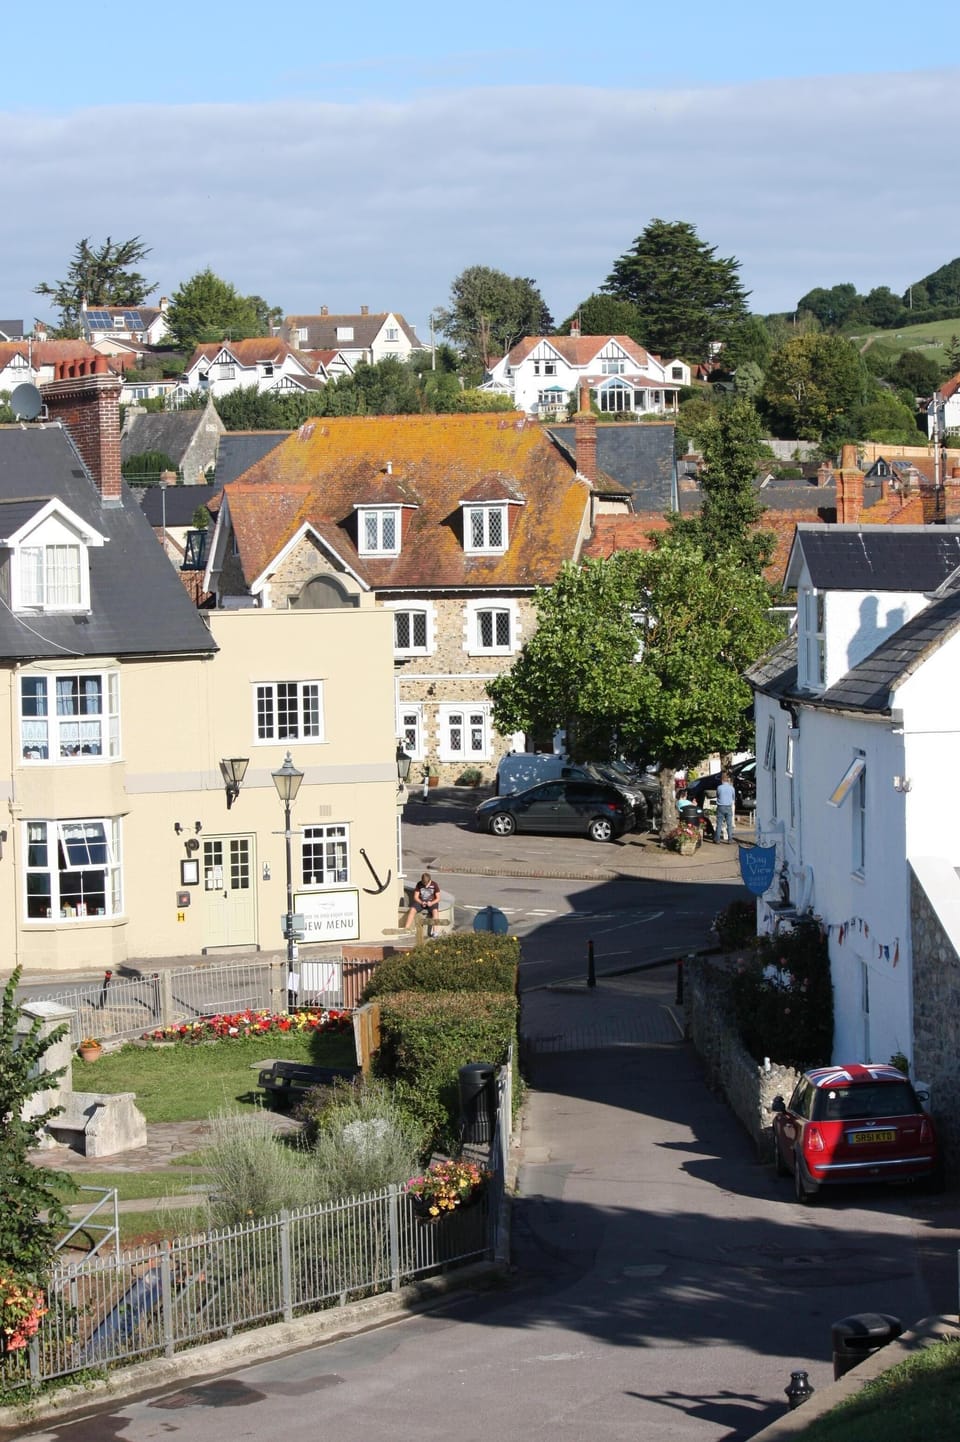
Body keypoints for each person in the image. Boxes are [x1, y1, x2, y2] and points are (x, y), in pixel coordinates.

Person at [715, 772, 736, 843]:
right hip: (728, 807)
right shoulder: (732, 788)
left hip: (720, 806)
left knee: (719, 824)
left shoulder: (719, 787)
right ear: (728, 780)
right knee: (729, 824)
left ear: (722, 780)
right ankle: (730, 839)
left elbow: (717, 796)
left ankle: (717, 839)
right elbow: (733, 797)